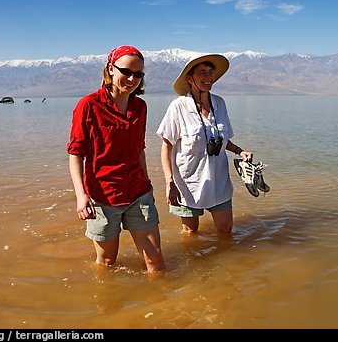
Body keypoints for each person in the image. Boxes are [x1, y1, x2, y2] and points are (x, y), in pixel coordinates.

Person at [67, 45, 166, 274]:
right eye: (126, 72)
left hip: (138, 192)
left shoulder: (140, 107)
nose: (132, 79)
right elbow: (76, 153)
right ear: (111, 69)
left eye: (138, 74)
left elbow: (138, 149)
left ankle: (159, 308)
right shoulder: (88, 105)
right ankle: (108, 307)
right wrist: (81, 196)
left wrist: (148, 183)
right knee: (107, 264)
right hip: (103, 196)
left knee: (156, 263)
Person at [156, 54, 253, 236]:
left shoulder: (220, 103)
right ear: (189, 78)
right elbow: (166, 146)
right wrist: (169, 181)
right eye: (202, 72)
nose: (208, 78)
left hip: (219, 181)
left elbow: (221, 139)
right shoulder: (178, 107)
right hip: (188, 183)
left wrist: (239, 151)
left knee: (225, 231)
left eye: (211, 72)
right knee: (190, 232)